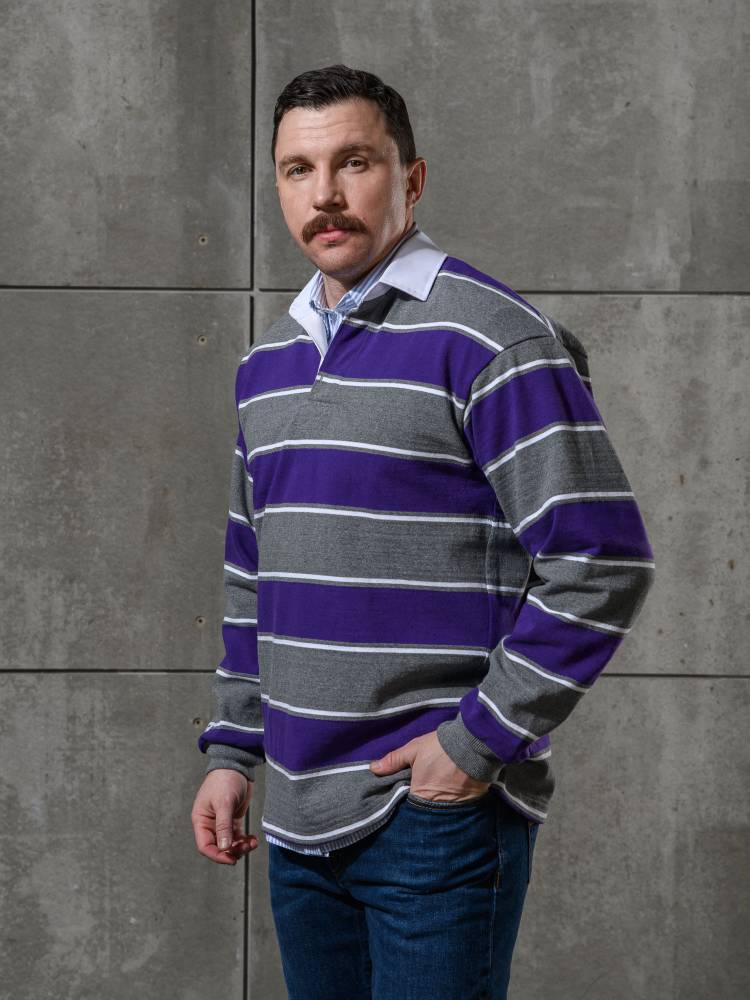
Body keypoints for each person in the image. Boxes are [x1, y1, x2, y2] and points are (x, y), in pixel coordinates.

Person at [191, 64, 656, 999]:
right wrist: (235, 751)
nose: (324, 194)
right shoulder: (266, 365)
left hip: (434, 820)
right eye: (298, 169)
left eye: (354, 162)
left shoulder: (490, 337)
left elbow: (600, 558)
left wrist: (475, 745)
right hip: (296, 819)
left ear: (412, 178)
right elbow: (254, 578)